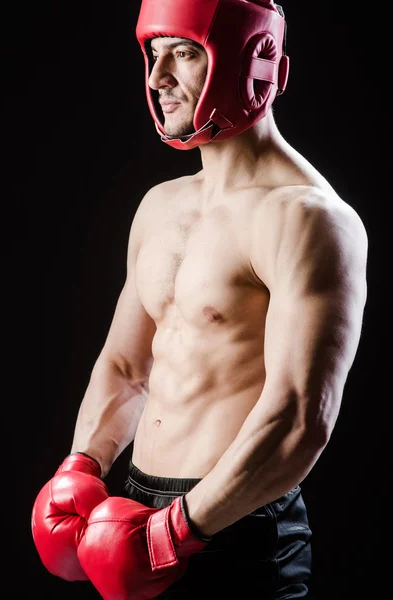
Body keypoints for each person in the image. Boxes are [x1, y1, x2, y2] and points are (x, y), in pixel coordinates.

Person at [31, 1, 368, 599]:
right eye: (152, 54)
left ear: (254, 64)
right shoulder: (161, 205)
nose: (158, 78)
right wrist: (81, 466)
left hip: (233, 525)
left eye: (184, 53)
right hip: (130, 512)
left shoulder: (307, 219)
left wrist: (177, 532)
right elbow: (127, 366)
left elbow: (299, 418)